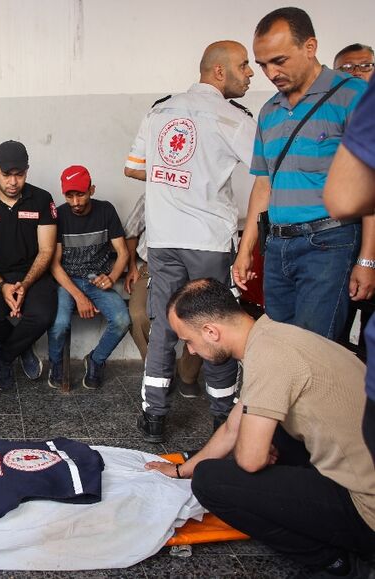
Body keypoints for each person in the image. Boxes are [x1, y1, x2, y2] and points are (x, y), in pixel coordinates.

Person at [146, 278, 375, 578]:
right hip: (357, 471)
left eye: (188, 340)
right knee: (267, 429)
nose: (190, 351)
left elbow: (249, 460)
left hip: (366, 510)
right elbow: (233, 427)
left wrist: (248, 452)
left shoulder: (269, 358)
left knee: (210, 481)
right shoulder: (269, 333)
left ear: (211, 332)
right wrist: (180, 470)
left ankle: (333, 561)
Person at [123, 40, 256, 442]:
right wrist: (201, 178)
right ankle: (221, 417)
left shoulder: (159, 110)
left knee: (163, 324)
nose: (250, 73)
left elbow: (134, 169)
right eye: (244, 66)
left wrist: (172, 179)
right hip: (209, 241)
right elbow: (269, 171)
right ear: (219, 72)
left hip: (164, 238)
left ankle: (154, 418)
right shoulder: (234, 118)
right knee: (216, 323)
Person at [234, 7, 372, 340]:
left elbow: (370, 186)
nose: (270, 72)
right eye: (262, 64)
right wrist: (246, 250)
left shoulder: (354, 97)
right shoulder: (269, 111)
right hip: (277, 245)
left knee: (314, 348)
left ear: (309, 47)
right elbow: (264, 184)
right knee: (280, 345)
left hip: (329, 244)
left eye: (279, 60)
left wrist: (367, 259)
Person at [0, 140, 57, 391]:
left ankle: (6, 355)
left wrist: (25, 284)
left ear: (27, 171)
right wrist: (1, 286)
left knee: (42, 315)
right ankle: (23, 346)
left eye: (19, 175)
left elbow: (47, 250)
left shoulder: (41, 200)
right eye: (6, 174)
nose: (13, 182)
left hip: (33, 274)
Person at [324, 79, 375, 463]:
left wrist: (367, 259)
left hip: (343, 247)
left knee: (328, 348)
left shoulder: (353, 98)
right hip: (332, 249)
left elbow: (344, 197)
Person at [46, 165, 130, 389]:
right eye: (69, 195)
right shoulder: (59, 215)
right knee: (59, 324)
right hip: (66, 280)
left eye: (80, 194)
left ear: (91, 189)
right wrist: (79, 297)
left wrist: (111, 277)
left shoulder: (106, 211)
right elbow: (54, 264)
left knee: (122, 320)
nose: (75, 202)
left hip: (97, 280)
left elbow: (123, 253)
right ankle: (55, 364)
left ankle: (95, 360)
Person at [123, 193, 203, 396]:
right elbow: (131, 232)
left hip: (194, 269)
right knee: (138, 314)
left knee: (201, 316)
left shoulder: (203, 194)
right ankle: (158, 371)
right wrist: (132, 266)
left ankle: (187, 375)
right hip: (153, 268)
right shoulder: (151, 194)